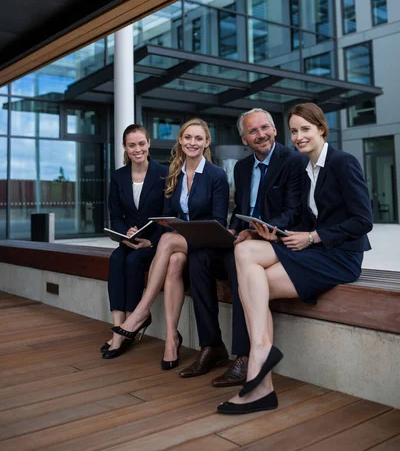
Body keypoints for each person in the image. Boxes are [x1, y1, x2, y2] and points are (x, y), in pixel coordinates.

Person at [218, 103, 373, 414]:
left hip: (340, 256)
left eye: (305, 129)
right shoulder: (305, 169)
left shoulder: (342, 162)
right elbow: (305, 219)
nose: (299, 136)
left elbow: (363, 220)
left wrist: (313, 237)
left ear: (321, 129)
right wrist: (278, 233)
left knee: (252, 281)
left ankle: (259, 365)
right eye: (295, 131)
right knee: (244, 251)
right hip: (315, 249)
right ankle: (262, 370)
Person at [179, 108, 304, 384]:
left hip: (273, 242)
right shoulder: (242, 167)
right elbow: (239, 209)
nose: (260, 135)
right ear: (245, 140)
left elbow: (293, 211)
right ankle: (211, 346)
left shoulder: (293, 161)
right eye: (253, 131)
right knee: (199, 258)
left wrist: (256, 232)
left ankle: (245, 355)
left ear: (274, 130)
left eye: (264, 128)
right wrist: (233, 230)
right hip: (244, 238)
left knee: (240, 263)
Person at [113, 118, 229, 370]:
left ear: (207, 142)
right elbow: (168, 218)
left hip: (208, 244)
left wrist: (181, 232)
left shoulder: (216, 175)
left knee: (167, 240)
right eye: (187, 137)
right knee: (174, 260)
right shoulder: (173, 175)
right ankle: (171, 338)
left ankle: (140, 312)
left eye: (199, 138)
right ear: (180, 140)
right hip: (181, 248)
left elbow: (219, 222)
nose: (192, 143)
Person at [103, 124, 168, 359]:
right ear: (125, 147)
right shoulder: (119, 176)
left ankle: (132, 322)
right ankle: (118, 329)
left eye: (142, 143)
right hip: (128, 241)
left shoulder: (163, 173)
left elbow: (170, 216)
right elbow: (115, 215)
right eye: (132, 145)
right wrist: (125, 231)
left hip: (153, 244)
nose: (137, 149)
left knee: (134, 262)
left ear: (149, 143)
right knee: (117, 258)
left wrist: (151, 242)